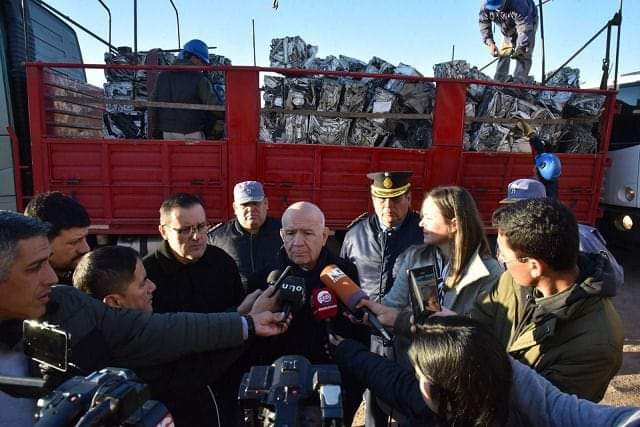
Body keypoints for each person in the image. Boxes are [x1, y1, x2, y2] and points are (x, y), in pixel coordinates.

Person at [0, 211, 288, 426]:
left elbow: (162, 330)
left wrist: (243, 321)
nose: (51, 278)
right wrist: (245, 323)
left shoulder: (67, 306)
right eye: (35, 267)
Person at [74, 245, 277, 426]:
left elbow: (189, 332)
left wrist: (239, 314)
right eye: (143, 283)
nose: (153, 287)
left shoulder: (94, 331)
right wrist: (251, 325)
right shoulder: (127, 351)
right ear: (114, 302)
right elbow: (196, 367)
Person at [330, 315, 640, 427]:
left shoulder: (435, 406)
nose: (417, 380)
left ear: (437, 389)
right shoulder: (510, 396)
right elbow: (396, 382)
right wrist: (349, 351)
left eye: (421, 373)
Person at [472, 197, 623, 401]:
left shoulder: (596, 344)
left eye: (504, 255)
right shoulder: (513, 280)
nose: (501, 260)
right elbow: (479, 322)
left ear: (534, 266)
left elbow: (538, 409)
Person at [247, 201, 368, 426]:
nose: (298, 242)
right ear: (282, 235)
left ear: (324, 236)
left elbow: (358, 334)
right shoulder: (263, 280)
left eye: (308, 233)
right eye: (291, 233)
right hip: (278, 394)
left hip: (332, 388)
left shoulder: (343, 273)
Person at [143, 192, 248, 424]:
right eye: (185, 229)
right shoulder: (146, 275)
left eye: (201, 226)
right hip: (176, 387)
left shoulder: (222, 262)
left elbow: (239, 313)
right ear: (163, 231)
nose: (197, 236)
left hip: (226, 376)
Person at [340, 171, 422, 426]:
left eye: (396, 199)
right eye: (381, 199)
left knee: (412, 403)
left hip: (408, 334)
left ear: (409, 198)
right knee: (372, 403)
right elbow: (344, 280)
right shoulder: (355, 234)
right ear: (373, 198)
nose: (388, 206)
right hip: (367, 333)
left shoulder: (423, 236)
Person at [385, 186, 503, 317]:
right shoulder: (416, 257)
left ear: (454, 225)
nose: (421, 223)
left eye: (429, 218)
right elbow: (392, 305)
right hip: (416, 338)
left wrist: (449, 319)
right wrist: (373, 309)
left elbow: (484, 328)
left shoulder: (489, 271)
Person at [501, 178, 624, 288]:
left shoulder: (579, 236)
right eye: (511, 208)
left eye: (520, 208)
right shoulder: (510, 239)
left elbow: (615, 276)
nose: (514, 215)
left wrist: (583, 294)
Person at [208, 180, 282, 289]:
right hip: (235, 304)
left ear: (266, 204)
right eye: (244, 204)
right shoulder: (217, 238)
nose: (251, 209)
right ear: (235, 208)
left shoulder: (284, 233)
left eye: (256, 203)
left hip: (276, 302)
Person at [150, 39, 220, 140]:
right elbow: (212, 105)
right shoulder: (199, 78)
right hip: (192, 132)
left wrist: (155, 131)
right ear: (194, 58)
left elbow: (152, 104)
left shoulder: (162, 76)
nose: (203, 67)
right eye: (203, 62)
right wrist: (226, 113)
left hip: (167, 133)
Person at [24, 191, 90, 284]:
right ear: (42, 241)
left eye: (85, 238)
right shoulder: (28, 291)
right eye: (74, 242)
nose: (85, 248)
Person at [479, 0, 538, 82]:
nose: (497, 9)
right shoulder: (486, 7)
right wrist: (490, 43)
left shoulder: (518, 4)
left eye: (499, 6)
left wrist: (521, 47)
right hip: (508, 27)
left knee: (524, 52)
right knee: (505, 51)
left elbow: (525, 27)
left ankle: (518, 82)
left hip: (527, 21)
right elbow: (484, 23)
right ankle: (499, 80)